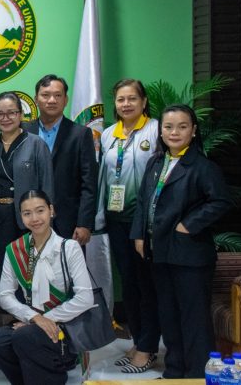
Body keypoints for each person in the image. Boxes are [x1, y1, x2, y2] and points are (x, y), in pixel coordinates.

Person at [132, 104, 234, 378]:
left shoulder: (202, 166)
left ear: (193, 130)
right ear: (160, 131)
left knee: (194, 319)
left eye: (182, 126)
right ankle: (174, 371)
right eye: (168, 127)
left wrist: (188, 225)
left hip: (190, 256)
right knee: (169, 314)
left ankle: (198, 375)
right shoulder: (157, 162)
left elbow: (221, 201)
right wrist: (139, 235)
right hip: (160, 252)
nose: (174, 132)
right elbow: (143, 201)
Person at [0, 190, 93, 385]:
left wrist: (43, 320)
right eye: (27, 213)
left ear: (51, 211)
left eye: (40, 210)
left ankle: (55, 374)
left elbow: (85, 298)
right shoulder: (14, 249)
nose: (34, 218)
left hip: (64, 327)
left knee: (25, 336)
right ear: (21, 216)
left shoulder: (69, 248)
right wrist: (33, 318)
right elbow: (4, 296)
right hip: (30, 322)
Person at [97, 78, 160, 373]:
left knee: (146, 284)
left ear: (143, 101)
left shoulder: (157, 130)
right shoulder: (109, 134)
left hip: (145, 222)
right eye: (121, 99)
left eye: (132, 99)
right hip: (116, 219)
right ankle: (137, 340)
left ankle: (148, 347)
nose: (126, 104)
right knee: (130, 285)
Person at [0, 91, 53, 309]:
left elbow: (47, 183)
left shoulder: (35, 144)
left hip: (26, 220)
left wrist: (47, 214)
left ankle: (29, 317)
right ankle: (4, 318)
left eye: (11, 113)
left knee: (27, 269)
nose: (5, 118)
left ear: (20, 114)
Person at [24, 75, 98, 244]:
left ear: (66, 100)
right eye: (45, 95)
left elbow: (89, 184)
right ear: (36, 99)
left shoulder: (80, 134)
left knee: (67, 270)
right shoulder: (23, 131)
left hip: (68, 223)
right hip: (28, 221)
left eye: (58, 95)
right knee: (29, 269)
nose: (52, 100)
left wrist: (84, 223)